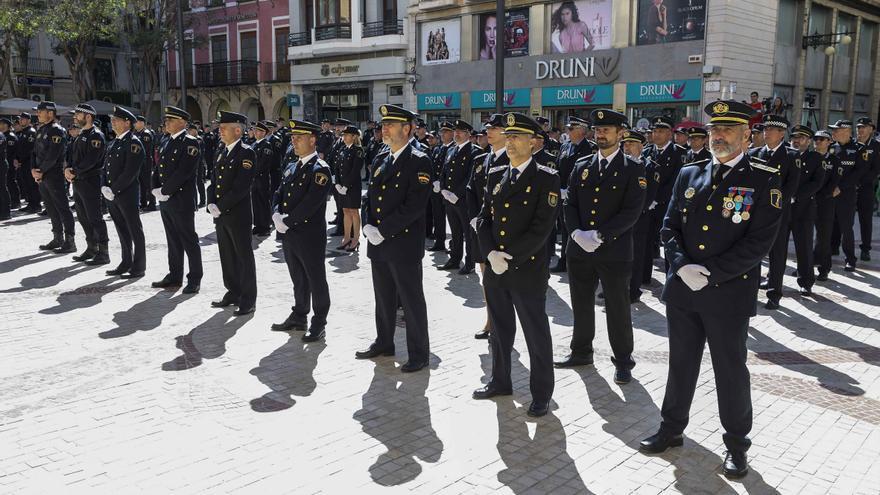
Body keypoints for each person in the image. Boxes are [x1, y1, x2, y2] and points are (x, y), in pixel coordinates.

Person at [640, 100, 782, 478]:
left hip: (728, 293)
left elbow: (758, 243)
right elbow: (669, 226)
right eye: (715, 129)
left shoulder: (764, 178)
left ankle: (737, 444)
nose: (718, 136)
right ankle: (671, 430)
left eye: (728, 130)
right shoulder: (690, 174)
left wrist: (711, 273)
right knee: (680, 364)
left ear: (746, 136)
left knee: (730, 369)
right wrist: (682, 265)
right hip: (684, 289)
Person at [472, 112, 560, 417]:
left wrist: (507, 258)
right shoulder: (496, 174)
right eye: (507, 137)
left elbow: (541, 228)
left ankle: (541, 393)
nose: (510, 142)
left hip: (526, 269)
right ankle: (500, 380)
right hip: (496, 267)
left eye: (517, 137)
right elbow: (484, 218)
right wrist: (489, 254)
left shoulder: (546, 177)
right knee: (499, 329)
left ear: (533, 142)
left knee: (535, 332)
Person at [553, 109, 646, 385]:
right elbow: (569, 203)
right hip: (580, 249)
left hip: (614, 251)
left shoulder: (633, 168)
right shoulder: (582, 165)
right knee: (581, 305)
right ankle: (581, 352)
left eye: (608, 129)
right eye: (598, 129)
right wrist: (577, 234)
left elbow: (632, 211)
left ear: (621, 134)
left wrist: (601, 235)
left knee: (618, 309)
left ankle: (623, 361)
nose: (601, 133)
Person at [356, 104, 433, 373]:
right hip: (378, 242)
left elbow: (414, 206)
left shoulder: (419, 159)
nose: (384, 128)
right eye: (384, 124)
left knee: (411, 301)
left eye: (391, 124)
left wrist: (383, 230)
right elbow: (369, 195)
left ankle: (419, 353)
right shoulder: (381, 156)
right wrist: (367, 225)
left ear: (408, 128)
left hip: (402, 243)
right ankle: (384, 342)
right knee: (383, 298)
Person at [270, 119, 332, 342]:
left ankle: (319, 322)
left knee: (316, 279)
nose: (293, 141)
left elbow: (311, 203)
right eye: (293, 137)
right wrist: (276, 213)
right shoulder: (292, 166)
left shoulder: (320, 169)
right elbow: (278, 192)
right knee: (298, 277)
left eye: (299, 137)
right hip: (289, 233)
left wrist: (287, 221)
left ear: (313, 140)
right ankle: (299, 314)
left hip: (309, 235)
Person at [207, 111, 258, 316]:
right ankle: (233, 291)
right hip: (220, 214)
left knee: (243, 256)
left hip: (237, 214)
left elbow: (241, 187)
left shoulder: (247, 153)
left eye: (224, 127)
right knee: (226, 255)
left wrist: (221, 205)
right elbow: (213, 179)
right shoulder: (221, 150)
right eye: (220, 127)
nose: (220, 131)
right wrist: (211, 201)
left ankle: (248, 298)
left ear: (238, 130)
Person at [150, 105, 203, 294]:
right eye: (166, 120)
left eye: (170, 120)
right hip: (166, 199)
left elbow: (184, 172)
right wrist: (155, 188)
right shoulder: (166, 141)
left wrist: (165, 190)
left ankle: (195, 278)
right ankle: (174, 275)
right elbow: (158, 167)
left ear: (182, 122)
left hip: (181, 200)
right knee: (172, 240)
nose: (166, 123)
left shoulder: (190, 142)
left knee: (188, 239)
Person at [750, 114, 800, 310]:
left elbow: (790, 187)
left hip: (777, 214)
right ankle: (751, 289)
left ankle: (774, 293)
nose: (766, 132)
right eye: (765, 129)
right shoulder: (754, 153)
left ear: (781, 134)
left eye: (771, 130)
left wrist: (773, 207)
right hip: (754, 215)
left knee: (777, 255)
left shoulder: (792, 156)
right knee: (753, 253)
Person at [467, 113, 508, 340]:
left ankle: (502, 324)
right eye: (487, 129)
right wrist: (474, 218)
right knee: (486, 279)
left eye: (494, 129)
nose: (488, 132)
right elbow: (471, 191)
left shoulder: (512, 160)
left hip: (501, 232)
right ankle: (490, 321)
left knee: (501, 280)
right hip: (481, 230)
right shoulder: (481, 160)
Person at [102, 107, 147, 279]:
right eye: (112, 120)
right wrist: (104, 186)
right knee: (121, 230)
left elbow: (130, 172)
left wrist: (113, 189)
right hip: (112, 195)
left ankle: (139, 266)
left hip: (126, 194)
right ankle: (126, 262)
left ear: (127, 122)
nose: (112, 122)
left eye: (116, 120)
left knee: (135, 231)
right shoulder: (115, 143)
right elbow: (106, 168)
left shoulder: (134, 143)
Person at [65, 103, 109, 265]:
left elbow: (91, 160)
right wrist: (68, 169)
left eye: (78, 114)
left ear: (88, 116)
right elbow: (73, 157)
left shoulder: (96, 135)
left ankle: (103, 252)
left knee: (95, 217)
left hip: (90, 181)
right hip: (78, 181)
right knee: (83, 217)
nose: (75, 117)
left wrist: (74, 171)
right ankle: (92, 247)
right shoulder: (81, 134)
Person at [551, 116, 595, 273]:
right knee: (564, 228)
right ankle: (564, 261)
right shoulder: (565, 147)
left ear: (582, 130)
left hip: (578, 196)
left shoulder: (589, 148)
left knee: (576, 229)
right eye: (567, 128)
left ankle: (577, 262)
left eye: (571, 129)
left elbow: (587, 174)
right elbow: (557, 168)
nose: (567, 132)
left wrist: (569, 190)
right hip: (562, 195)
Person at [32, 102, 75, 252]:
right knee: (50, 207)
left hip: (53, 174)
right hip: (42, 174)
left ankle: (70, 241)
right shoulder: (41, 129)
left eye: (40, 111)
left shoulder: (57, 130)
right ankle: (57, 238)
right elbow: (35, 152)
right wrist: (34, 169)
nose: (38, 114)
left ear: (50, 113)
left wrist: (41, 170)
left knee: (62, 207)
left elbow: (53, 155)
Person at [786, 124, 825, 295]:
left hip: (804, 209)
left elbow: (816, 183)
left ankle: (806, 282)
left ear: (808, 141)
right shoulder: (785, 155)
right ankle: (773, 277)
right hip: (784, 209)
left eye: (801, 138)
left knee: (804, 247)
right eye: (794, 137)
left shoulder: (816, 158)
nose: (796, 140)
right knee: (777, 247)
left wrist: (795, 196)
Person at [624, 129, 661, 303]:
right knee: (619, 254)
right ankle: (619, 286)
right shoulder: (621, 164)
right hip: (621, 218)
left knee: (637, 254)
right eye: (625, 143)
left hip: (640, 217)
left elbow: (650, 194)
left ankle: (633, 289)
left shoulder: (650, 166)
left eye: (631, 143)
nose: (627, 147)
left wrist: (633, 211)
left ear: (641, 146)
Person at [828, 119, 868, 272]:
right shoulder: (832, 147)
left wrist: (841, 187)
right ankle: (829, 251)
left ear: (845, 131)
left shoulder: (858, 149)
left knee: (846, 227)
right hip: (831, 193)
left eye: (836, 130)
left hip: (847, 194)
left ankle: (850, 259)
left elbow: (858, 173)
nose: (833, 133)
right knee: (828, 225)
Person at [438, 119, 477, 274]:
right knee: (455, 232)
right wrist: (443, 189)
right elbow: (444, 171)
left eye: (460, 131)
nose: (457, 134)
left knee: (468, 233)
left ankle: (470, 262)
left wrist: (457, 194)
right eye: (455, 131)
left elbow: (470, 176)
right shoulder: (451, 150)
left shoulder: (474, 152)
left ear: (468, 134)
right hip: (449, 199)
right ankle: (455, 259)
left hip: (463, 200)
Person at [812, 131, 842, 281]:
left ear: (829, 141)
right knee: (803, 238)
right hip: (807, 202)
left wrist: (817, 193)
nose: (818, 141)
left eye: (822, 139)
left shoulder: (835, 161)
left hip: (825, 203)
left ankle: (824, 269)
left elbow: (834, 183)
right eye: (816, 139)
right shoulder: (807, 157)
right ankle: (805, 267)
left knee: (824, 238)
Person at [334, 125, 364, 251]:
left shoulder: (358, 150)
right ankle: (346, 238)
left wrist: (346, 186)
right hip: (342, 186)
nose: (344, 137)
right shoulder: (342, 149)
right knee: (345, 211)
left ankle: (355, 239)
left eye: (347, 135)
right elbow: (337, 166)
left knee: (354, 212)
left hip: (353, 186)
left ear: (354, 136)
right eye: (343, 135)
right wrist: (337, 183)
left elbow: (355, 170)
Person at [855, 118, 879, 261]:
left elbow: (875, 170)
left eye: (864, 127)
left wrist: (859, 182)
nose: (861, 130)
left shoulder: (876, 146)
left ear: (871, 129)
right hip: (849, 188)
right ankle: (834, 245)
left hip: (866, 188)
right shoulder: (853, 144)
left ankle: (865, 249)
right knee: (841, 218)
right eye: (859, 127)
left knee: (865, 220)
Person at [428, 121, 454, 252]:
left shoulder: (454, 148)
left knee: (452, 219)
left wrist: (442, 184)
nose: (443, 134)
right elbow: (432, 167)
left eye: (446, 132)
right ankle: (439, 241)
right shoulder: (438, 149)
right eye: (441, 132)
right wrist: (433, 181)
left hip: (448, 190)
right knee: (438, 216)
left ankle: (454, 245)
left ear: (452, 133)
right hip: (435, 188)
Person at [250, 121, 276, 237]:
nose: (255, 132)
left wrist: (252, 173)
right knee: (255, 203)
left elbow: (264, 163)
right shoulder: (254, 144)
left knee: (263, 203)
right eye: (254, 130)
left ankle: (265, 226)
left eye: (258, 131)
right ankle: (257, 225)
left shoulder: (267, 145)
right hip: (254, 180)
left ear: (263, 132)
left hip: (262, 179)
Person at [15, 112, 40, 213]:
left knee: (32, 184)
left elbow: (30, 150)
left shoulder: (31, 132)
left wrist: (20, 160)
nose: (20, 121)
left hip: (29, 162)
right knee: (26, 184)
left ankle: (36, 205)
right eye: (20, 119)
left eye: (23, 119)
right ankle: (31, 203)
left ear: (29, 120)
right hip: (22, 163)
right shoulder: (22, 132)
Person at [135, 116, 157, 212]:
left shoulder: (146, 134)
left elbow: (144, 149)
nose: (135, 124)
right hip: (139, 163)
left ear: (142, 123)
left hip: (146, 162)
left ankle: (152, 203)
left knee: (148, 184)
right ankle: (143, 203)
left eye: (137, 122)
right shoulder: (136, 133)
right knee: (141, 184)